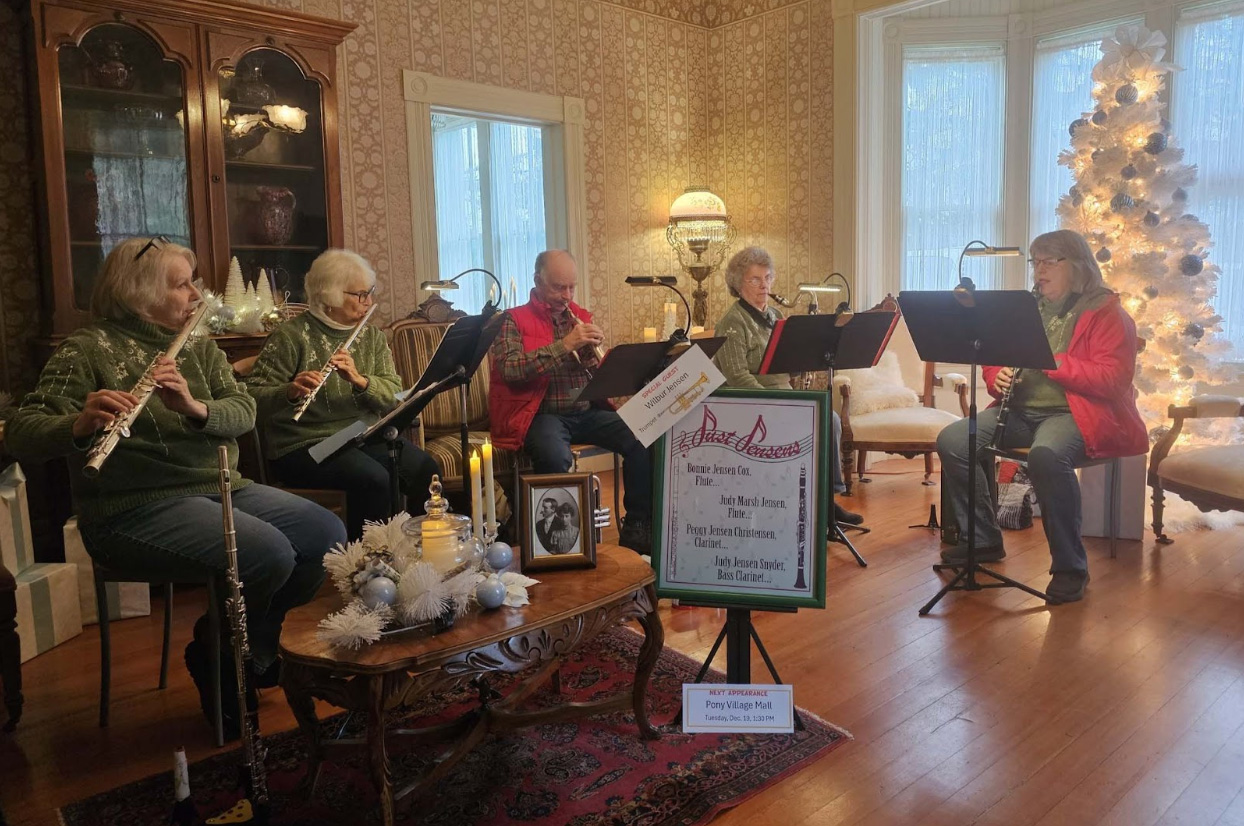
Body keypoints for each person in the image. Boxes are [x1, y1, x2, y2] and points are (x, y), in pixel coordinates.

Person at [6, 237, 346, 736]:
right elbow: (21, 431)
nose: (196, 293)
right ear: (139, 291)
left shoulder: (198, 346)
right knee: (267, 553)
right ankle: (226, 662)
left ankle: (240, 645)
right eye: (182, 284)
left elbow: (245, 411)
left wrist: (195, 409)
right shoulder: (86, 349)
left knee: (325, 534)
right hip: (130, 506)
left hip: (220, 486)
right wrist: (77, 425)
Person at [935, 229, 1147, 604]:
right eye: (1037, 262)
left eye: (1051, 262)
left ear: (1077, 265)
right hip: (1017, 410)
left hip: (1075, 412)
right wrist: (994, 374)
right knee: (955, 440)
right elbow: (993, 353)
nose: (1040, 271)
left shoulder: (1107, 312)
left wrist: (1056, 364)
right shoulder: (1026, 307)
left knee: (1047, 456)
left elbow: (1113, 380)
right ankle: (982, 540)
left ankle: (1070, 567)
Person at [244, 249, 439, 539]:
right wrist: (289, 391)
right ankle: (365, 565)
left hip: (361, 434)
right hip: (304, 445)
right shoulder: (290, 336)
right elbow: (252, 398)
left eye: (369, 292)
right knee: (374, 480)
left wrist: (360, 381)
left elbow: (392, 397)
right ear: (330, 297)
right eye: (360, 295)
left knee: (425, 467)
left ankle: (419, 551)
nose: (369, 302)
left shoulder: (370, 336)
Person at [489, 250, 653, 554]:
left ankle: (637, 527)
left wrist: (596, 358)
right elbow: (511, 369)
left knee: (643, 433)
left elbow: (596, 374)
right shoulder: (512, 320)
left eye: (571, 287)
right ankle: (561, 541)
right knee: (553, 456)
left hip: (586, 410)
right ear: (538, 281)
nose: (567, 296)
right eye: (558, 287)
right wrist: (564, 345)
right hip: (541, 415)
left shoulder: (579, 316)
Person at [712, 246, 863, 527]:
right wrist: (779, 401)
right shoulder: (732, 322)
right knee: (817, 421)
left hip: (783, 395)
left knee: (829, 419)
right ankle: (804, 503)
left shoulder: (777, 316)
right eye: (754, 279)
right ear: (737, 283)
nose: (764, 285)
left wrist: (808, 354)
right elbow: (737, 377)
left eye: (767, 277)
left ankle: (825, 501)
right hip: (751, 403)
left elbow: (789, 365)